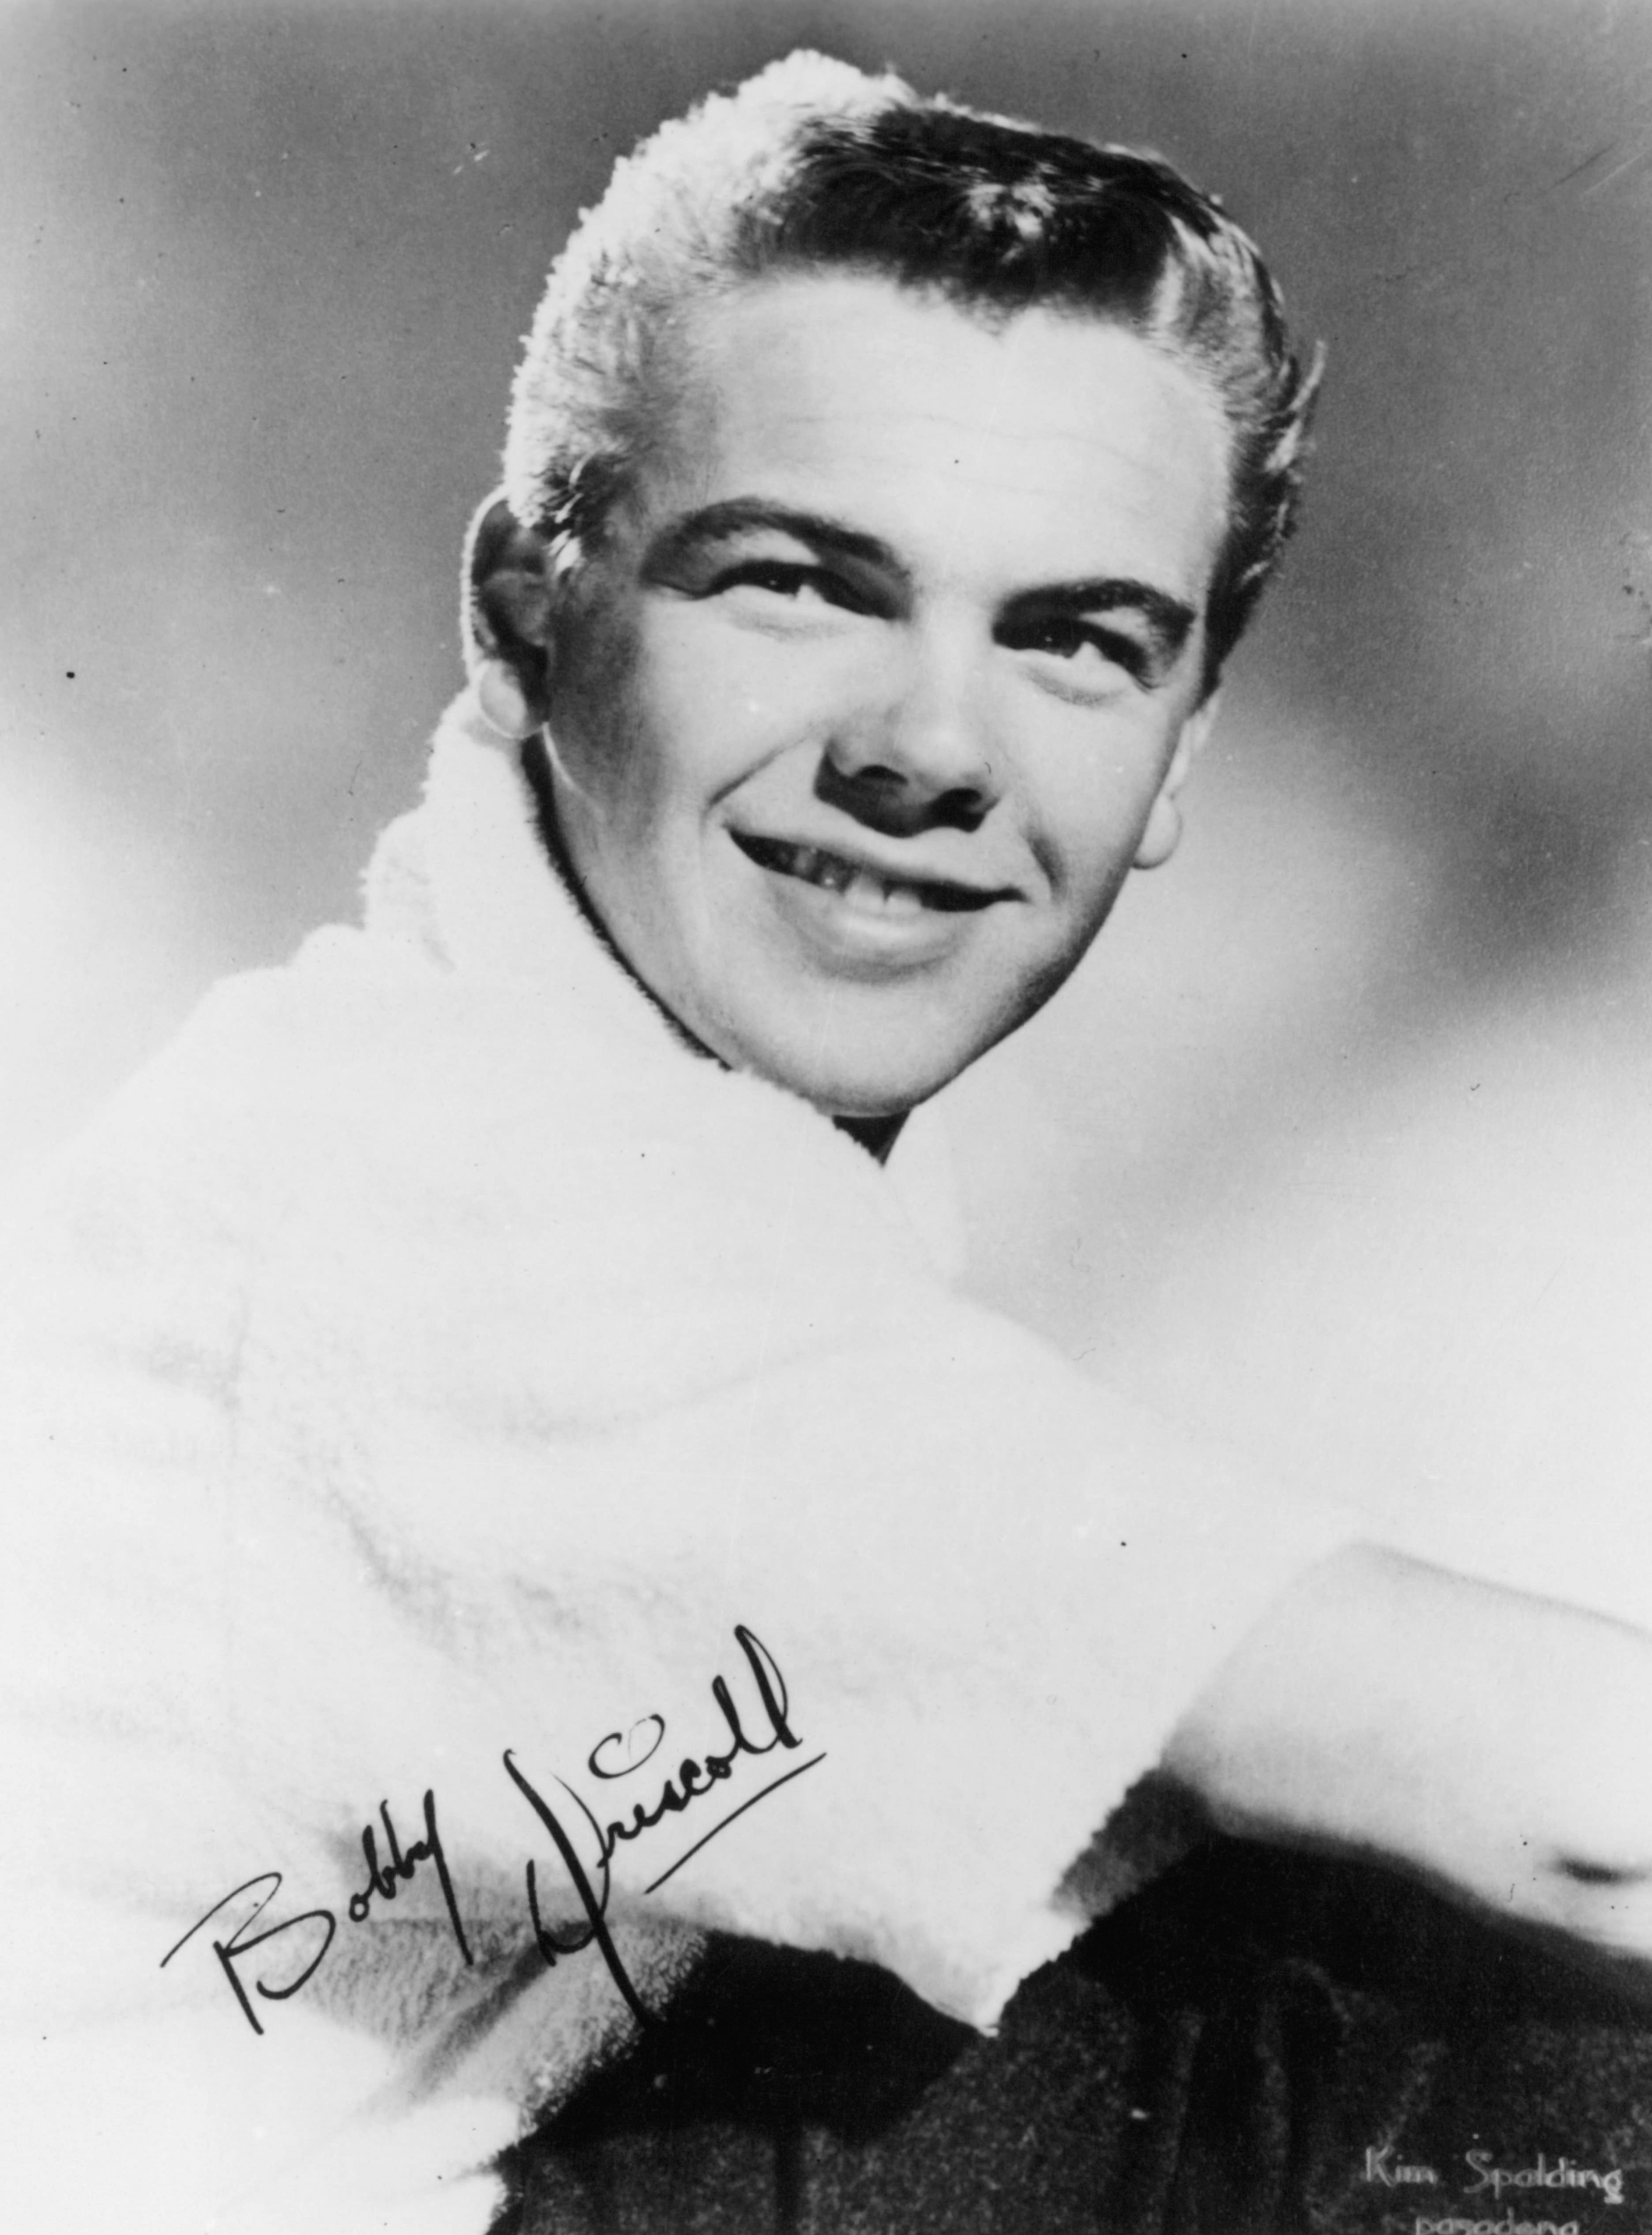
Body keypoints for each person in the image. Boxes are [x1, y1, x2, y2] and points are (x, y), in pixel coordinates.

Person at [2, 50, 1649, 2235]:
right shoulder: (452, 1199)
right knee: (1460, 2025)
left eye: (1078, 638)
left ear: (1178, 757)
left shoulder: (573, 1104)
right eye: (802, 584)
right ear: (524, 611)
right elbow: (1589, 1811)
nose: (932, 745)